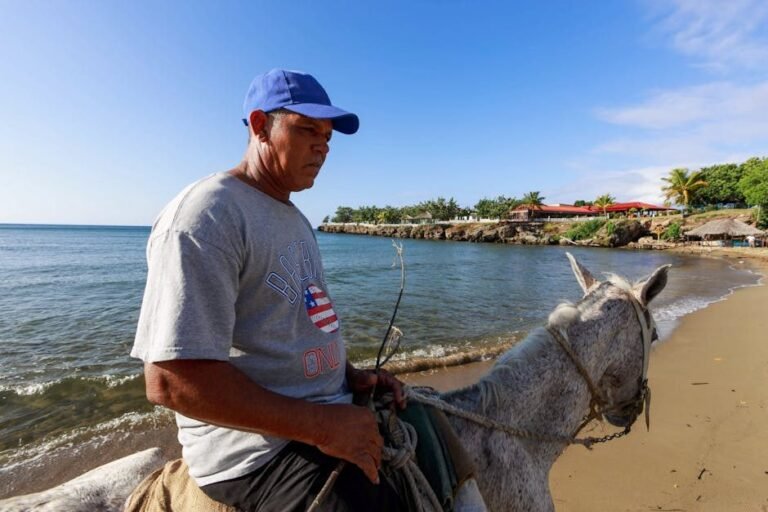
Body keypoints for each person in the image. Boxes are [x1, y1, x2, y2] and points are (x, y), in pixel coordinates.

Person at [131, 69, 406, 511]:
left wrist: (348, 375)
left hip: (322, 405)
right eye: (308, 130)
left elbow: (295, 321)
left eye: (329, 136)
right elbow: (170, 380)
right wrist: (324, 425)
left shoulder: (294, 218)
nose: (324, 146)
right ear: (260, 126)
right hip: (254, 454)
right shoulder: (207, 215)